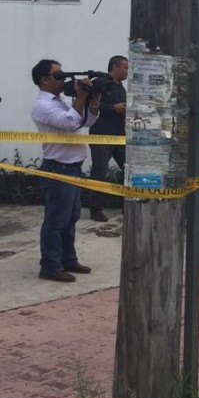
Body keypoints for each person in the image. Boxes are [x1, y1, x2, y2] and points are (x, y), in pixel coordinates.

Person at [31, 59, 100, 282]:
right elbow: (70, 123)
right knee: (56, 220)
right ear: (44, 80)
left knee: (71, 218)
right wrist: (80, 97)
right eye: (59, 76)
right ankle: (50, 265)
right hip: (58, 168)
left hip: (72, 168)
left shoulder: (60, 101)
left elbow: (83, 122)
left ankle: (67, 259)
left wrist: (93, 102)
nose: (64, 80)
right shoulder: (43, 105)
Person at [86, 55, 128, 222]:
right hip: (101, 135)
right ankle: (95, 209)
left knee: (130, 171)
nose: (127, 71)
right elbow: (91, 105)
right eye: (125, 67)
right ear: (114, 67)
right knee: (100, 172)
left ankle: (130, 203)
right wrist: (113, 108)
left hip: (119, 136)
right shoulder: (100, 83)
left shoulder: (121, 88)